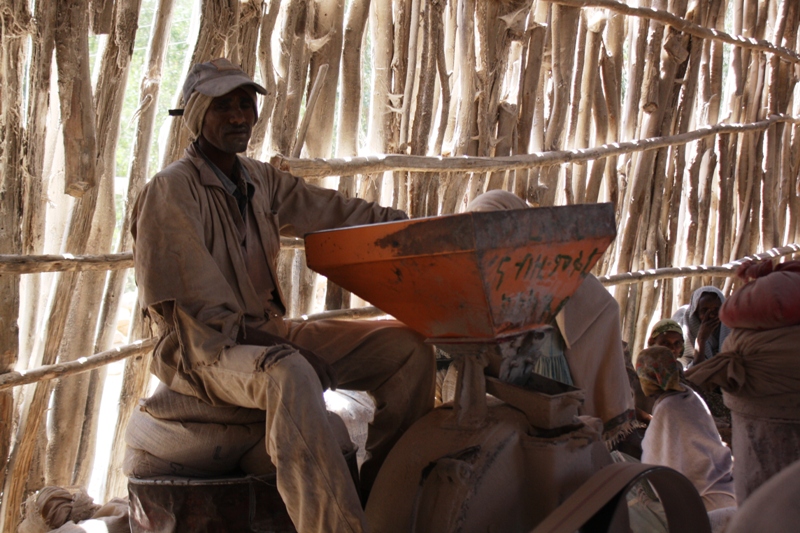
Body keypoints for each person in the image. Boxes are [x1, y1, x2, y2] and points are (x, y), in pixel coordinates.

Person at [130, 58, 435, 532]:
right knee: (289, 371)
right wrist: (285, 349)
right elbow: (200, 316)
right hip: (206, 352)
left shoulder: (257, 179)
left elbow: (331, 211)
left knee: (408, 350)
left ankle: (387, 503)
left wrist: (409, 227)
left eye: (246, 103)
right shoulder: (171, 192)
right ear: (195, 114)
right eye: (223, 105)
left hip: (267, 335)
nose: (239, 116)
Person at [465, 190, 635, 445]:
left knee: (559, 440)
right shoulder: (475, 275)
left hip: (551, 386)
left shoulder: (551, 267)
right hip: (496, 401)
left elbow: (604, 310)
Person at [636, 346, 736, 512]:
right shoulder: (688, 395)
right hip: (722, 487)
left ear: (649, 377)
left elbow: (664, 464)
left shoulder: (668, 407)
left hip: (704, 500)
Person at [672, 286, 730, 368]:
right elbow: (692, 370)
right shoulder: (683, 332)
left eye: (716, 309)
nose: (711, 315)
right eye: (704, 310)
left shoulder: (731, 328)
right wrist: (701, 339)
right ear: (695, 313)